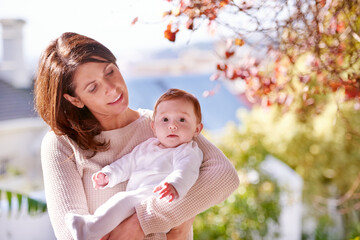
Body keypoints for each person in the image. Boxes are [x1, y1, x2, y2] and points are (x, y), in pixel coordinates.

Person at [34, 32, 239, 240]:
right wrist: (178, 219)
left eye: (110, 72)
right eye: (93, 87)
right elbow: (71, 236)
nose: (112, 88)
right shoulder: (61, 144)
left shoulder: (163, 125)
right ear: (75, 100)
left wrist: (141, 223)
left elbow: (224, 177)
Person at [65, 88, 204, 240]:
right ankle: (96, 231)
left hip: (157, 197)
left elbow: (186, 170)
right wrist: (109, 175)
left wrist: (174, 185)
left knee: (122, 200)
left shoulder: (187, 150)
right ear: (154, 128)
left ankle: (88, 230)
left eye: (182, 120)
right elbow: (127, 163)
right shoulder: (148, 146)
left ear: (197, 129)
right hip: (139, 196)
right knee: (119, 204)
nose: (172, 126)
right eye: (165, 120)